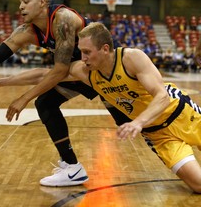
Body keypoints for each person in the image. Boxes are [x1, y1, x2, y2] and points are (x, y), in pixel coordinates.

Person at [0, 0, 125, 187]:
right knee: (45, 103)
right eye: (20, 2)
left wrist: (23, 98)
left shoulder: (63, 20)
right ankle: (72, 167)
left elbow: (58, 71)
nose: (21, 6)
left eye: (26, 1)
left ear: (42, 2)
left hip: (109, 68)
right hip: (81, 71)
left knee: (132, 123)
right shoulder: (26, 31)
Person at [66, 22, 201, 193]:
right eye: (81, 52)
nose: (83, 58)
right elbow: (47, 74)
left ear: (105, 49)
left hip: (182, 114)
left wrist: (137, 122)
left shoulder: (131, 58)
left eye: (87, 52)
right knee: (198, 185)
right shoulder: (86, 73)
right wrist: (24, 97)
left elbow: (162, 97)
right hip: (159, 136)